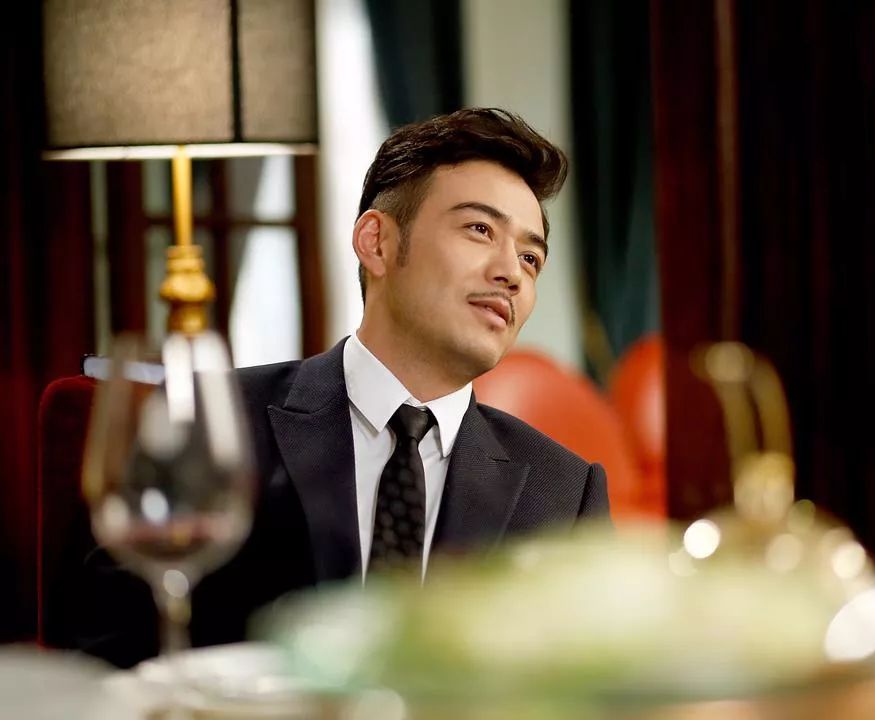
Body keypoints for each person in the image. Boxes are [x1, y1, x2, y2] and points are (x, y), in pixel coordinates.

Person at [74, 108, 611, 667]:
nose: (512, 273)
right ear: (377, 243)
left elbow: (599, 684)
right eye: (480, 230)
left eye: (530, 257)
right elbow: (108, 651)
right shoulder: (217, 421)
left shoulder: (565, 492)